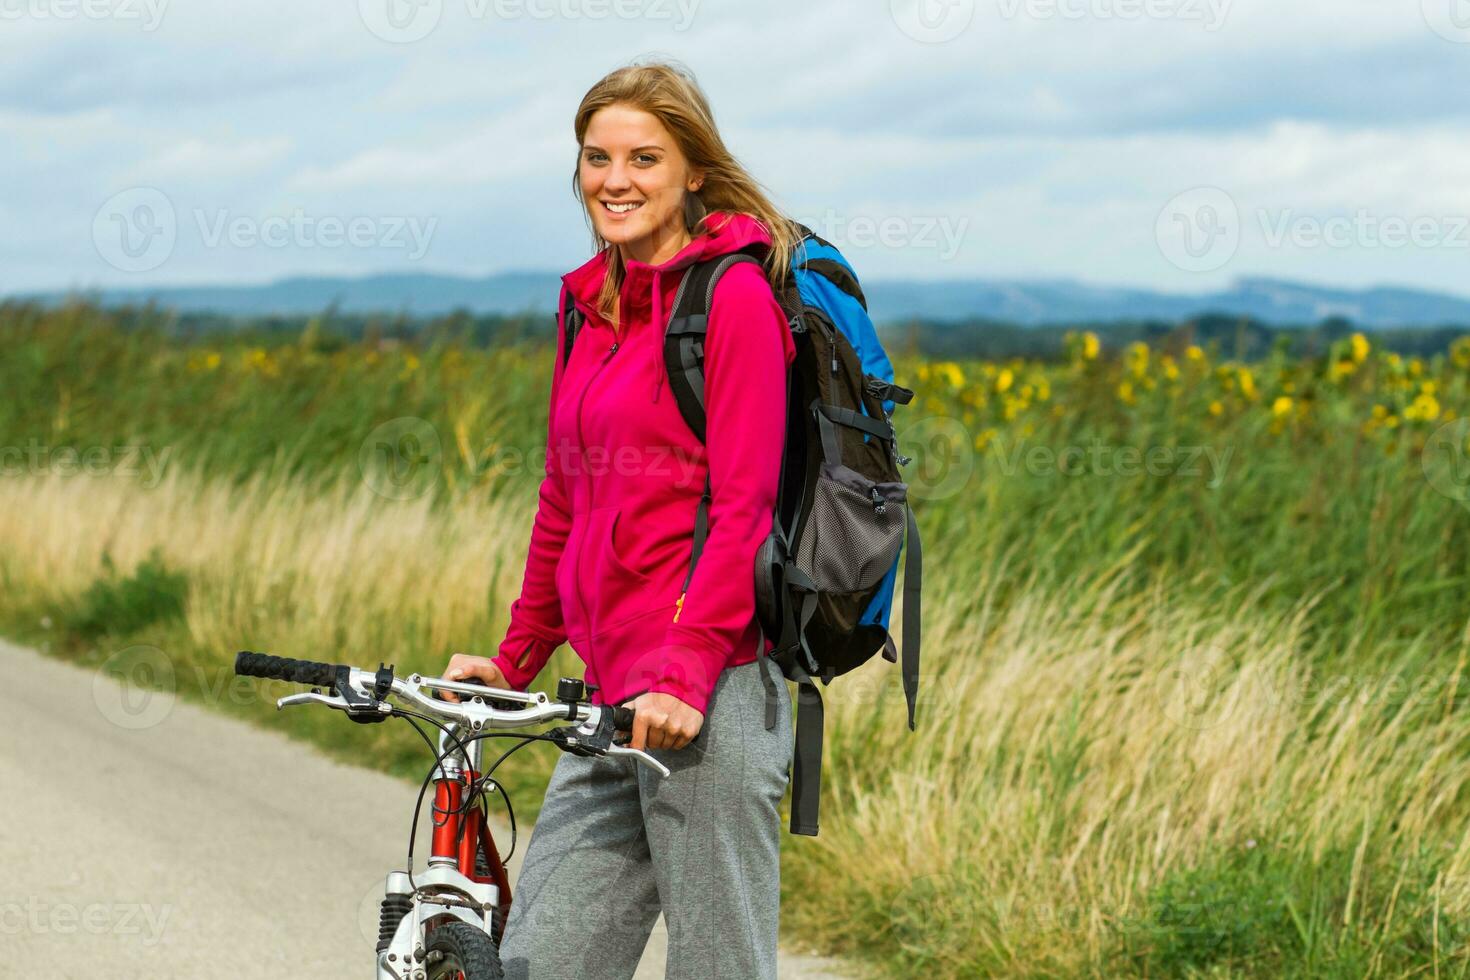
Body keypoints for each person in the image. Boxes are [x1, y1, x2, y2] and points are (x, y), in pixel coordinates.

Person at [440, 60, 800, 980]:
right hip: (608, 701)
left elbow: (745, 505)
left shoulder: (734, 299)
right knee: (536, 964)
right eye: (597, 158)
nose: (616, 179)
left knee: (718, 969)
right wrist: (516, 657)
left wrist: (683, 674)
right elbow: (564, 495)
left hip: (707, 697)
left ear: (694, 172)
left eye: (645, 157)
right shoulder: (586, 303)